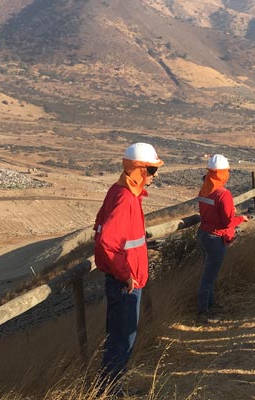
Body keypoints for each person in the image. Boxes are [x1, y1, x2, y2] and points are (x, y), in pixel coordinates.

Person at [94, 142, 163, 394]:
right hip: (125, 283)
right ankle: (110, 392)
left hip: (122, 279)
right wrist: (126, 274)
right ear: (139, 170)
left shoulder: (118, 191)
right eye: (152, 171)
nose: (155, 176)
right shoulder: (125, 198)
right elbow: (107, 241)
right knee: (123, 340)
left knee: (118, 338)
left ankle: (107, 389)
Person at [196, 154, 248, 323]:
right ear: (223, 173)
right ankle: (202, 312)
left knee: (208, 272)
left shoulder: (204, 189)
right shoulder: (223, 194)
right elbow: (228, 222)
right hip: (215, 238)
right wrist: (241, 219)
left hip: (203, 234)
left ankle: (210, 304)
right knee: (209, 276)